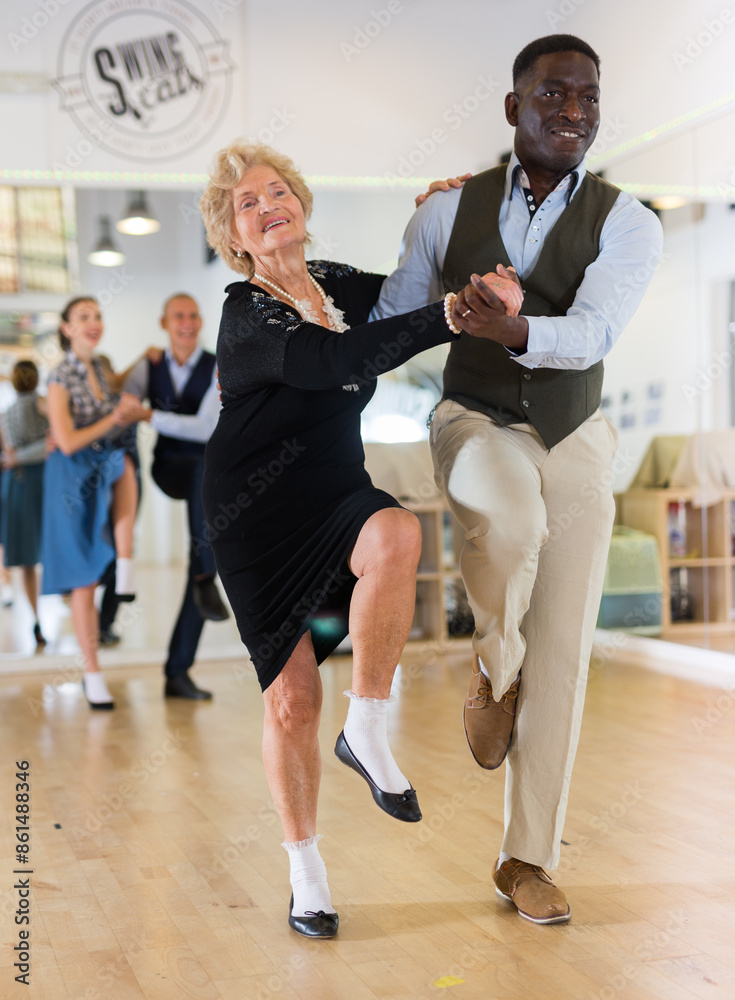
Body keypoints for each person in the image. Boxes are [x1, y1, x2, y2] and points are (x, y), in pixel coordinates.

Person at [372, 34, 664, 925]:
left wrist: (509, 323)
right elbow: (391, 323)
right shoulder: (443, 212)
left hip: (575, 433)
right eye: (551, 97)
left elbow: (590, 333)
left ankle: (525, 858)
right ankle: (493, 671)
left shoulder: (628, 220)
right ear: (512, 109)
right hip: (474, 419)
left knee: (567, 656)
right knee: (508, 525)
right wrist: (446, 312)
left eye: (586, 100)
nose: (572, 113)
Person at [198, 142, 521, 938]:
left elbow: (419, 295)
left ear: (300, 202)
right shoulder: (247, 312)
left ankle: (368, 725)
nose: (268, 204)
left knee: (397, 533)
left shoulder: (336, 281)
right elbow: (336, 357)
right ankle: (305, 872)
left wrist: (446, 217)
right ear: (235, 234)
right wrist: (448, 315)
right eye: (248, 202)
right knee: (291, 701)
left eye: (277, 190)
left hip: (337, 487)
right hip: (255, 513)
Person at [124, 295, 230, 700]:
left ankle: (177, 672)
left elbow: (206, 427)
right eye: (178, 316)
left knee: (203, 554)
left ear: (200, 321)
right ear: (164, 322)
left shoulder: (217, 364)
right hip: (169, 468)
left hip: (205, 472)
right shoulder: (148, 365)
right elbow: (122, 398)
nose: (186, 323)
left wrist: (150, 416)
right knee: (203, 479)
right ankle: (205, 573)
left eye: (192, 316)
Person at [42, 298, 143, 709]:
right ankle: (92, 671)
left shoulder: (101, 366)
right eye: (83, 318)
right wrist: (115, 419)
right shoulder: (57, 376)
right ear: (67, 328)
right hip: (69, 478)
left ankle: (125, 565)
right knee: (83, 581)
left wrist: (146, 356)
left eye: (97, 316)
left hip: (101, 468)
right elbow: (66, 441)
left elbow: (119, 385)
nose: (93, 323)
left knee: (127, 464)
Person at [0, 361, 49, 648]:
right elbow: (53, 442)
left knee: (28, 561)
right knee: (38, 554)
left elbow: (9, 456)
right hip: (41, 481)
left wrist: (17, 457)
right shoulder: (43, 405)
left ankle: (37, 619)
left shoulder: (5, 416)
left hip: (17, 485)